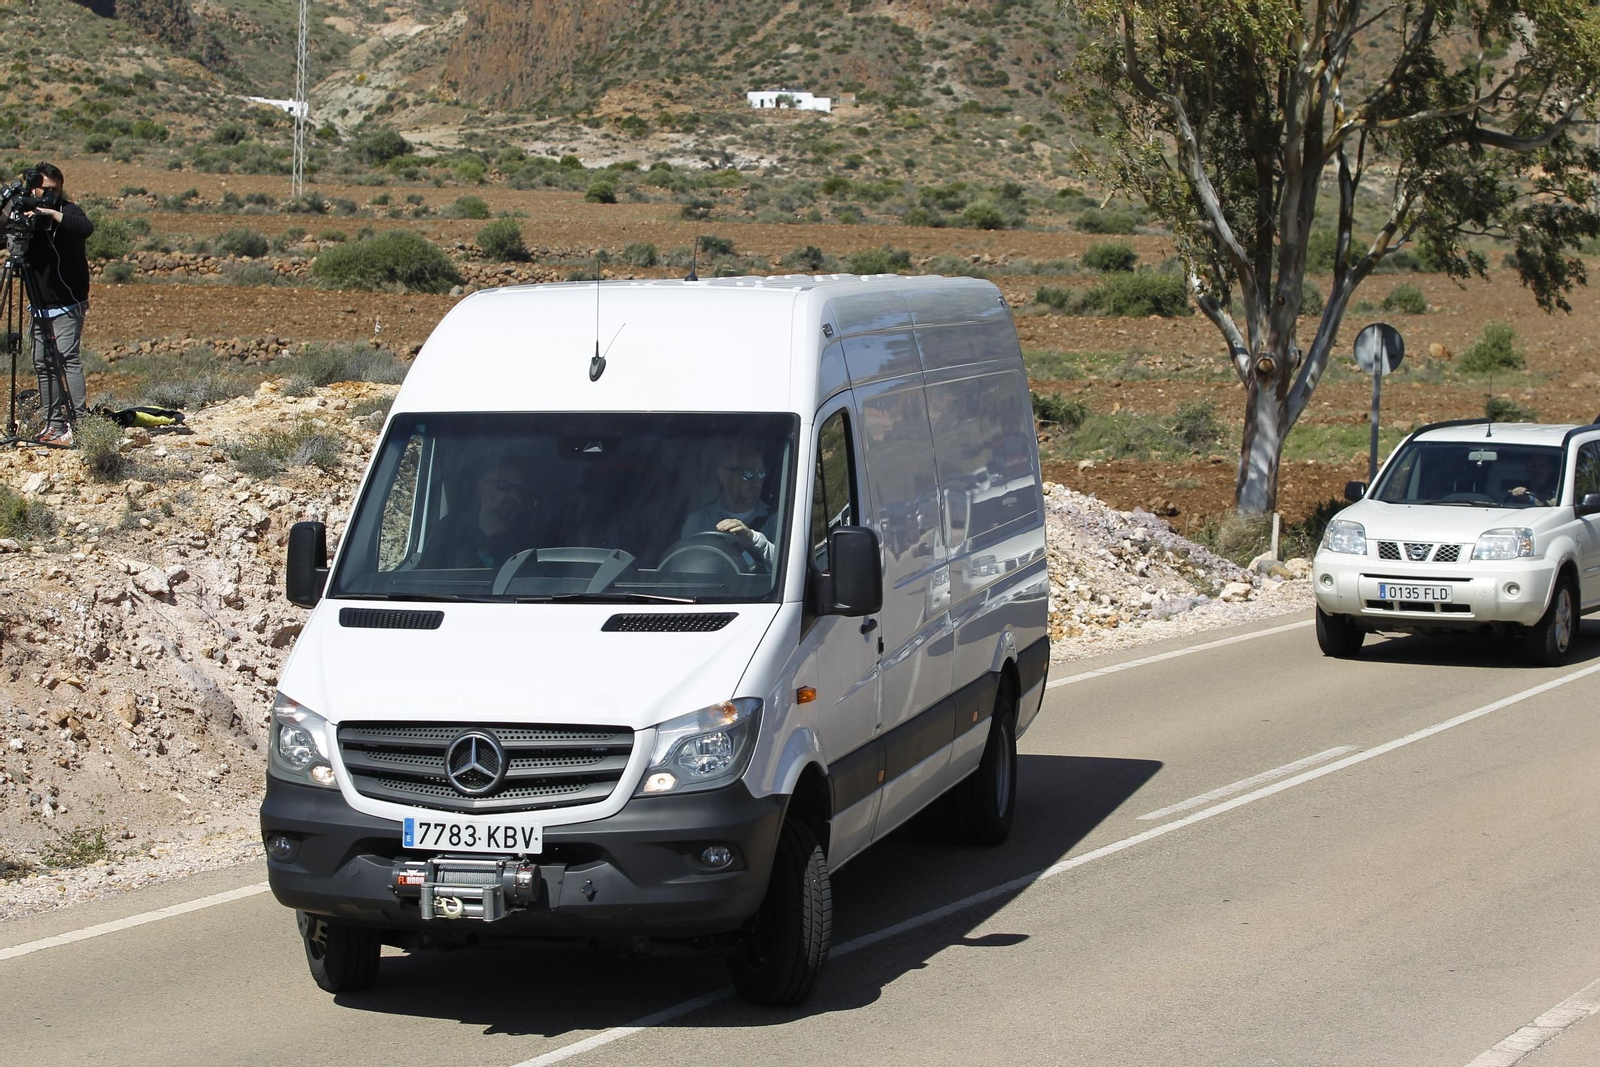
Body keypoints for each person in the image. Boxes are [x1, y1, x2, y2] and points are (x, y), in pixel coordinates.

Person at [22, 162, 94, 447]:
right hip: (39, 305)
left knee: (67, 359)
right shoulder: (25, 214)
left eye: (55, 189)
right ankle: (53, 425)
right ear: (33, 188)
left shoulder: (69, 210)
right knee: (42, 363)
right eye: (44, 190)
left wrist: (52, 213)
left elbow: (85, 228)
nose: (49, 194)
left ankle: (80, 424)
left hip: (67, 302)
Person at [681, 441, 779, 568]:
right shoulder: (700, 520)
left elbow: (788, 565)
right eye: (747, 473)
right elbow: (684, 565)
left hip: (765, 588)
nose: (756, 481)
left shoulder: (775, 519)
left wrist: (752, 538)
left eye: (761, 473)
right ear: (724, 476)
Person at [428, 456, 537, 568]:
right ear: (481, 487)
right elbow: (423, 578)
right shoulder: (449, 531)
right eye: (504, 486)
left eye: (519, 489)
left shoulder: (530, 540)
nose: (514, 495)